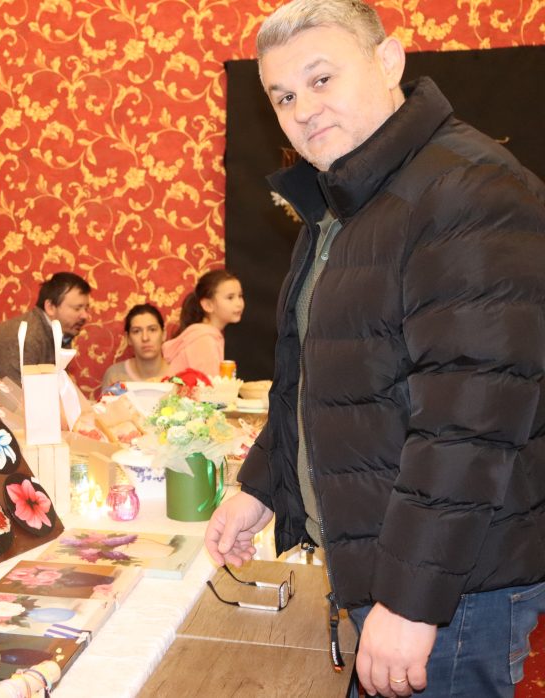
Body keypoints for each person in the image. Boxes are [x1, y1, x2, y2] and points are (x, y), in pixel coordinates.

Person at [204, 1, 545, 696]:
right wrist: (263, 486)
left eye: (322, 79)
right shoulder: (347, 202)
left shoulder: (467, 188)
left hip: (453, 589)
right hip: (391, 566)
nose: (304, 109)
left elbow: (470, 418)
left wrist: (413, 602)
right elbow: (322, 379)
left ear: (388, 62)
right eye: (283, 97)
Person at [0, 272, 91, 402]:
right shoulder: (25, 337)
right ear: (50, 307)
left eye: (86, 308)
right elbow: (15, 399)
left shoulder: (61, 334)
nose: (85, 316)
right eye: (77, 308)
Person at [161, 269, 244, 376]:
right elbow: (208, 385)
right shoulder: (204, 339)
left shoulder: (206, 335)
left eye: (240, 296)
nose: (239, 303)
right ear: (208, 305)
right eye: (230, 297)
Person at [100, 303, 170, 391]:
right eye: (136, 331)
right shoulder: (115, 376)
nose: (145, 338)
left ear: (163, 334)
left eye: (152, 330)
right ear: (128, 338)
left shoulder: (179, 374)